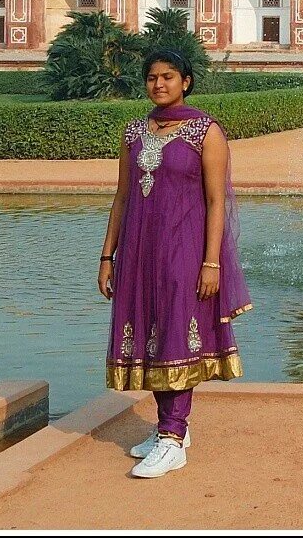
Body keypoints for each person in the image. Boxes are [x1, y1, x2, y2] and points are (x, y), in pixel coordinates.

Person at [100, 49, 250, 479]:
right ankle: (171, 430)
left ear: (186, 81)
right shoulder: (134, 131)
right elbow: (122, 197)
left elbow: (216, 200)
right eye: (152, 77)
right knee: (151, 331)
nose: (159, 84)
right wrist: (107, 256)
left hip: (185, 251)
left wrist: (212, 262)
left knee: (177, 335)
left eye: (168, 76)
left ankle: (171, 437)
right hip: (139, 251)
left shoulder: (206, 130)